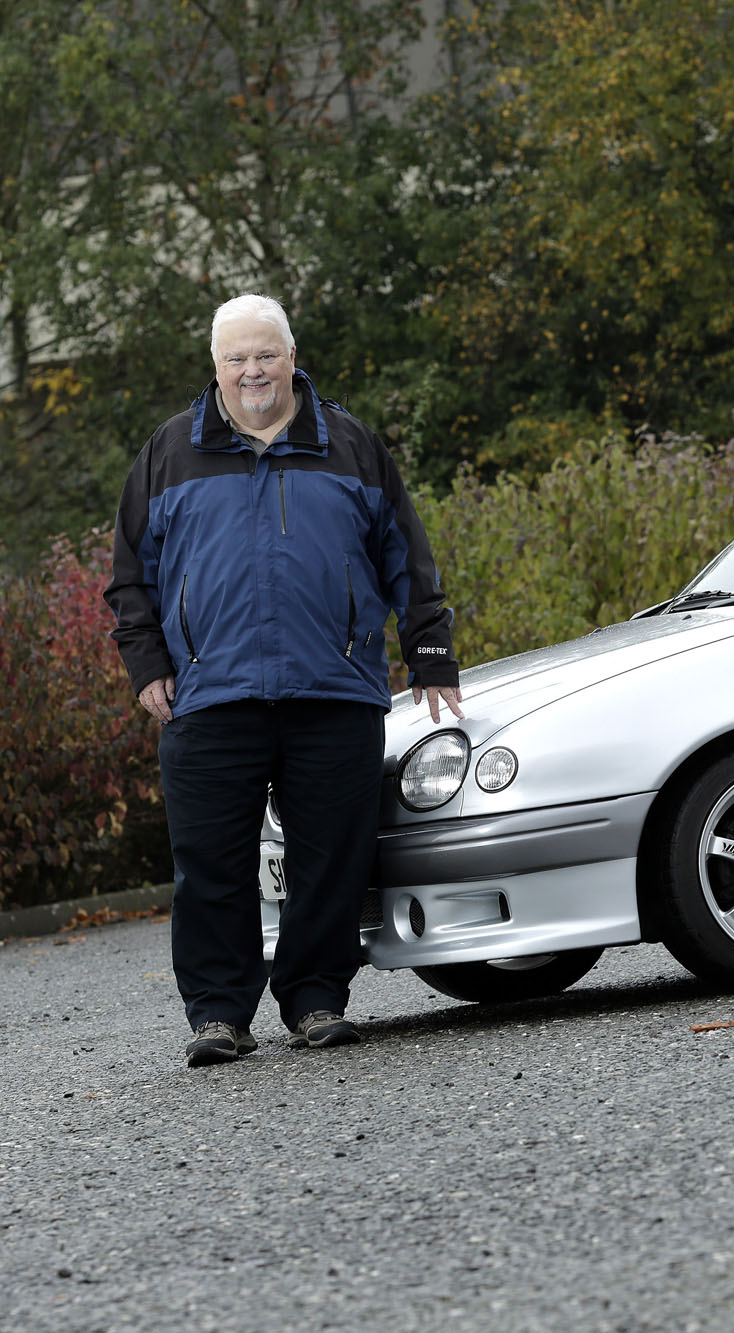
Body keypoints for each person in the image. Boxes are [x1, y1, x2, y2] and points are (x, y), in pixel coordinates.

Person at [105, 294, 464, 1067]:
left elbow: (407, 554)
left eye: (265, 354)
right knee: (210, 864)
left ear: (292, 357)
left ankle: (314, 999)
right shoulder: (169, 453)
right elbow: (130, 577)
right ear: (216, 367)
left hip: (332, 689)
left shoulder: (352, 445)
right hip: (208, 694)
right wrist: (147, 668)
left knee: (331, 855)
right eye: (236, 358)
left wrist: (429, 648)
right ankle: (218, 1014)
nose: (252, 370)